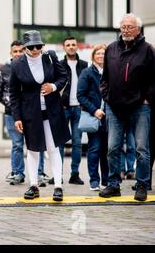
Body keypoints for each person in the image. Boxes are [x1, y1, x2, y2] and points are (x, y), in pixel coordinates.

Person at [99, 13, 155, 202]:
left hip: (140, 107)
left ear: (138, 29)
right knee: (113, 148)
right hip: (114, 107)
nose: (125, 30)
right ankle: (113, 184)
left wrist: (148, 98)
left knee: (141, 148)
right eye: (123, 27)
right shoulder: (111, 49)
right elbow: (105, 77)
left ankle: (142, 185)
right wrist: (106, 96)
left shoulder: (148, 50)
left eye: (130, 27)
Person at [10, 30, 70, 201]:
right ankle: (33, 185)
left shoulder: (50, 57)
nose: (36, 49)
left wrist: (54, 86)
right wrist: (17, 118)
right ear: (25, 47)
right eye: (31, 47)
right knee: (33, 150)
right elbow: (14, 94)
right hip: (30, 113)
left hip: (52, 111)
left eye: (39, 46)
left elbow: (63, 77)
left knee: (53, 148)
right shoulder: (17, 64)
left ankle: (58, 186)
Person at [0, 41, 47, 186]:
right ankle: (17, 173)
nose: (17, 54)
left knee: (37, 143)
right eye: (15, 51)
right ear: (10, 53)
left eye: (20, 51)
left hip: (33, 112)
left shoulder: (33, 66)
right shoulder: (3, 69)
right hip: (12, 114)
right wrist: (8, 104)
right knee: (17, 144)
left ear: (24, 52)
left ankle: (39, 173)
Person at [77, 44, 109, 191]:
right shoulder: (87, 73)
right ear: (93, 56)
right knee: (95, 149)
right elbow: (81, 96)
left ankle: (106, 180)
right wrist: (94, 110)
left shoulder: (111, 72)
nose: (101, 56)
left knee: (108, 150)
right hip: (94, 116)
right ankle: (94, 181)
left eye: (104, 53)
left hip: (110, 117)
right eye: (98, 54)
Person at [57, 37, 88, 186]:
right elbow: (54, 86)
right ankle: (58, 175)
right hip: (63, 108)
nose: (71, 47)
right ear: (64, 47)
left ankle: (74, 174)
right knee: (61, 143)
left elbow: (89, 86)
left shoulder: (84, 65)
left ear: (77, 47)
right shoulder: (59, 65)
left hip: (79, 108)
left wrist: (85, 104)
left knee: (77, 143)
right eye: (68, 45)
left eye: (73, 44)